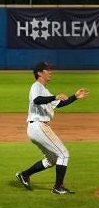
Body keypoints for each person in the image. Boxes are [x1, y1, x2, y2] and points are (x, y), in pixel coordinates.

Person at [15, 62, 89, 194]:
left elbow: (59, 104)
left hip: (37, 128)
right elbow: (37, 100)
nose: (50, 72)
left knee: (52, 160)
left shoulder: (45, 90)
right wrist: (54, 96)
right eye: (47, 70)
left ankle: (24, 175)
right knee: (63, 154)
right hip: (38, 126)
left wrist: (75, 97)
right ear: (39, 73)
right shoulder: (36, 86)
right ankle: (58, 187)